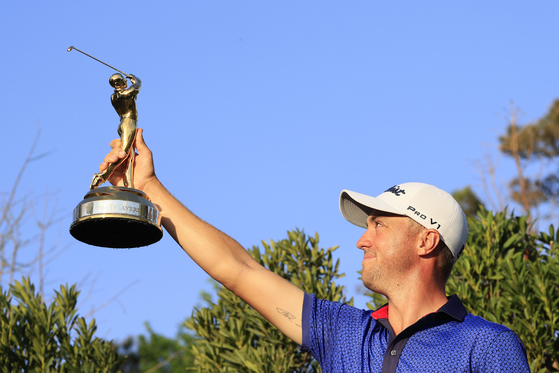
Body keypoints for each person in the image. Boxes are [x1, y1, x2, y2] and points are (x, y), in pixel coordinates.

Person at [98, 129, 530, 372]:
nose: (363, 238)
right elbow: (238, 269)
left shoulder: (486, 345)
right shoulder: (345, 334)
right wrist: (149, 188)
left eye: (379, 225)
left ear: (426, 240)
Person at [90, 73, 141, 190]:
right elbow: (138, 86)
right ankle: (102, 176)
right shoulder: (124, 94)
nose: (125, 81)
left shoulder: (114, 97)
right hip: (129, 123)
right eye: (123, 80)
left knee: (129, 156)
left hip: (122, 123)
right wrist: (135, 79)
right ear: (118, 84)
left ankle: (129, 185)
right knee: (124, 153)